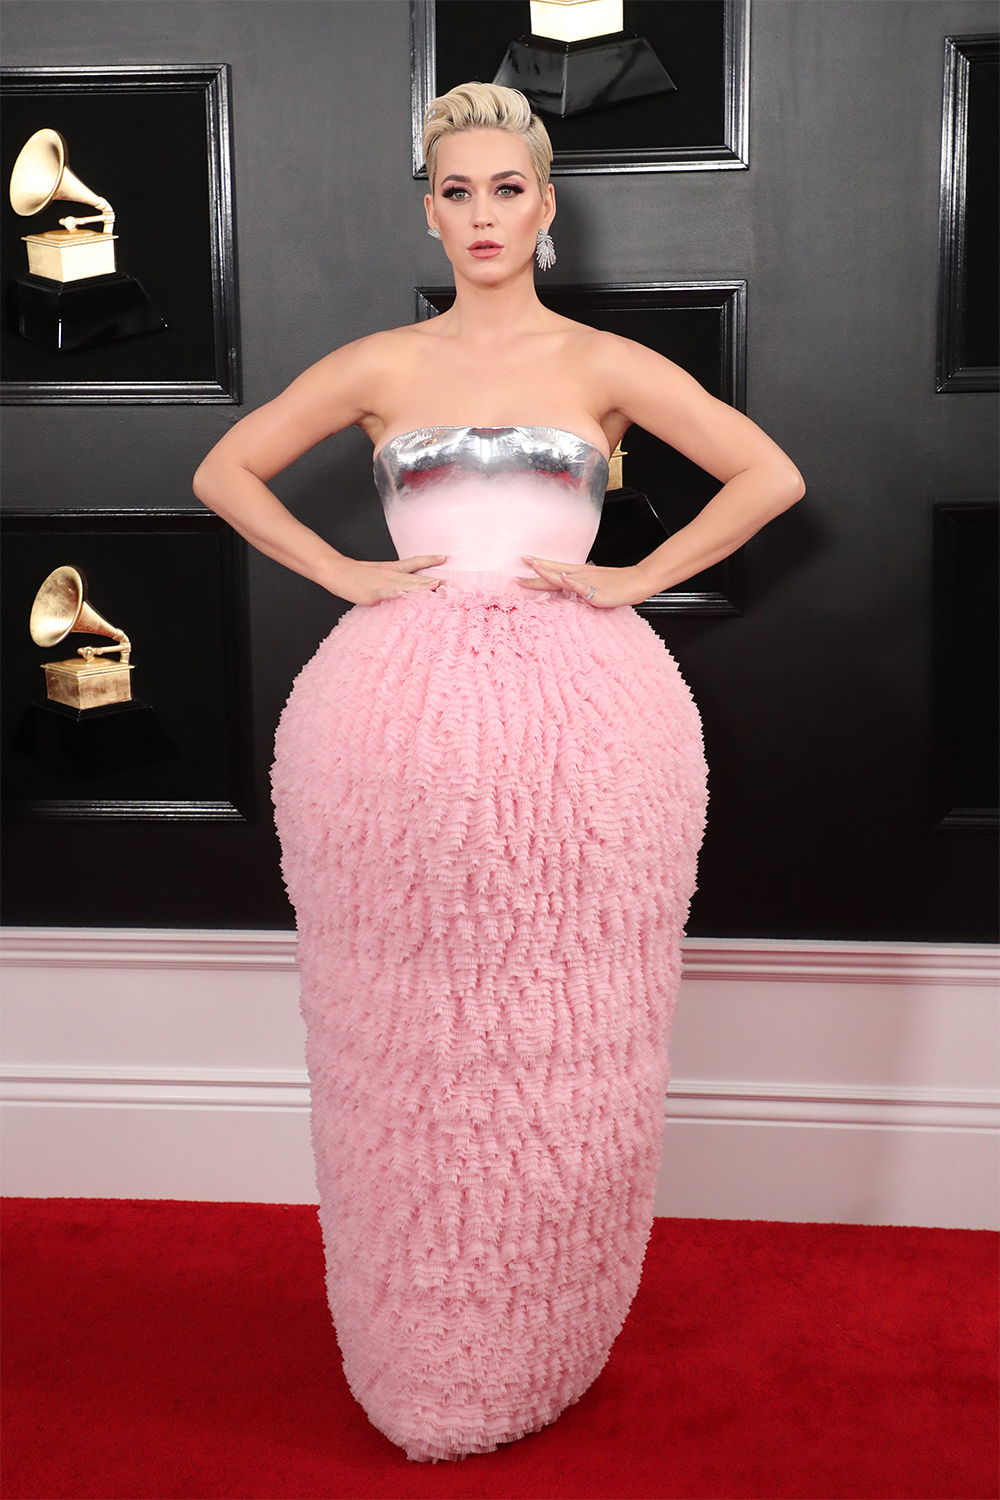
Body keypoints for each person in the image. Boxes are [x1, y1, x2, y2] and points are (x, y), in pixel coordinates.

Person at [193, 82, 804, 1464]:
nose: (483, 215)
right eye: (457, 191)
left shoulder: (602, 362)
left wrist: (635, 576)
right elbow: (226, 468)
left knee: (567, 1027)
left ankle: (544, 1330)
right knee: (401, 1031)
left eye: (507, 190)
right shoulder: (380, 365)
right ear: (430, 208)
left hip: (582, 720)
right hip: (390, 726)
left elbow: (765, 475)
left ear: (545, 206)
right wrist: (346, 571)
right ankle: (418, 1342)